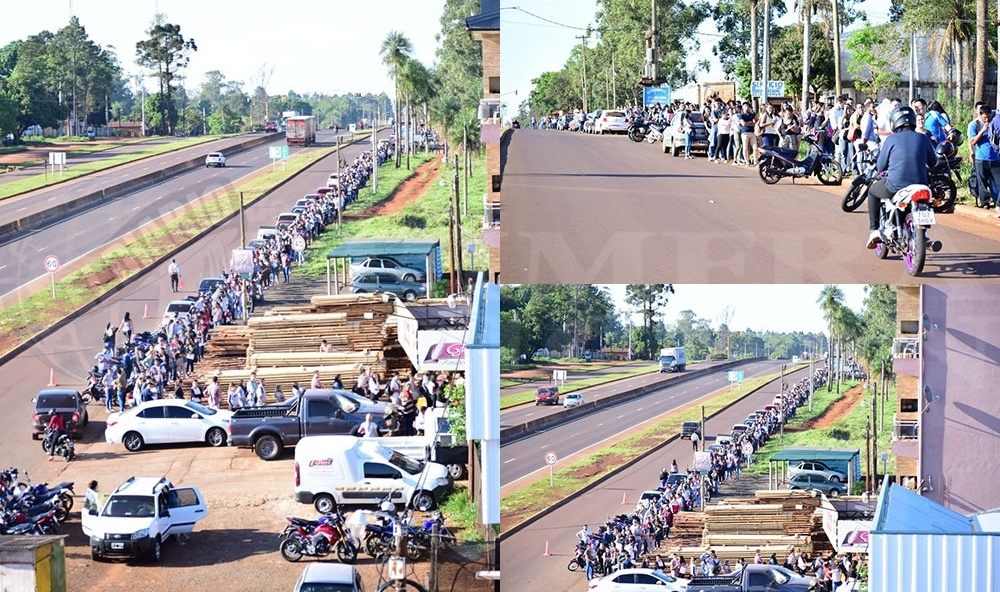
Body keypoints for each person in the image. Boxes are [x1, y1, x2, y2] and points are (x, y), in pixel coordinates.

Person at [865, 106, 937, 249]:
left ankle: (874, 231)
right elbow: (933, 162)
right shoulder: (923, 138)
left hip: (895, 186)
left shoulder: (891, 140)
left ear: (894, 122)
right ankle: (923, 234)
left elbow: (880, 166)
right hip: (922, 185)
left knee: (872, 191)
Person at [969, 106, 1000, 209]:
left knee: (997, 182)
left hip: (995, 158)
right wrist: (982, 131)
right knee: (982, 182)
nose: (987, 120)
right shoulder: (975, 125)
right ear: (980, 115)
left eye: (988, 117)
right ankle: (985, 203)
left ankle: (998, 202)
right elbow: (973, 142)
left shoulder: (994, 123)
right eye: (984, 118)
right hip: (981, 158)